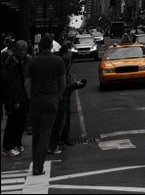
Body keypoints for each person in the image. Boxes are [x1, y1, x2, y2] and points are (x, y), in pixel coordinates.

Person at [24, 32, 66, 176]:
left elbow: (27, 83)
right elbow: (63, 82)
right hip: (51, 100)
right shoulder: (58, 61)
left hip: (36, 101)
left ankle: (36, 162)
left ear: (40, 46)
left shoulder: (32, 61)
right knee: (45, 134)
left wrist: (31, 97)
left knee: (37, 133)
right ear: (51, 46)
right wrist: (59, 96)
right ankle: (37, 166)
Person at [48, 45, 87, 152]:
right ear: (63, 54)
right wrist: (73, 86)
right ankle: (55, 142)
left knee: (66, 118)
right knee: (60, 120)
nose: (71, 55)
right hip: (61, 95)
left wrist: (74, 85)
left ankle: (64, 139)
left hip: (66, 93)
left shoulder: (67, 63)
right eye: (69, 53)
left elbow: (66, 80)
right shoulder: (60, 64)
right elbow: (61, 82)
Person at [2, 40, 30, 157]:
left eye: (25, 50)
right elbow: (11, 83)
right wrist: (14, 100)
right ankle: (8, 146)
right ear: (17, 50)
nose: (24, 52)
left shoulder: (20, 61)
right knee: (13, 122)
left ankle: (17, 143)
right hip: (15, 97)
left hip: (21, 95)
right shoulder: (11, 63)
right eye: (22, 50)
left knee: (20, 121)